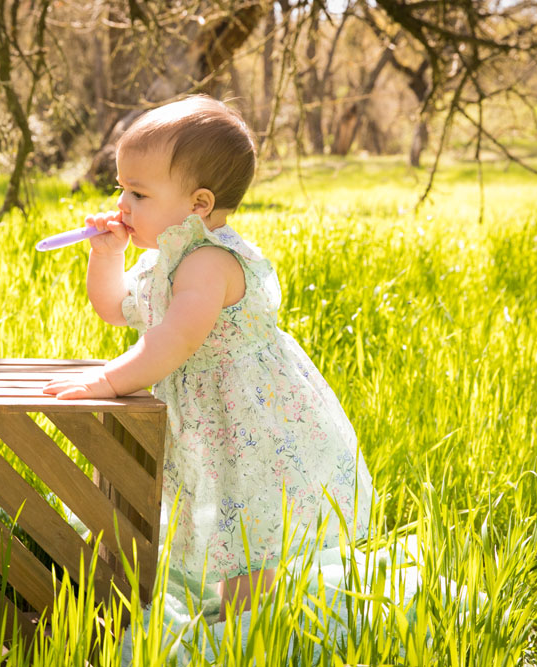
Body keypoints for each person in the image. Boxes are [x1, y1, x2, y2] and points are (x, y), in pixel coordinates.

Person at [43, 95, 374, 621]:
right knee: (213, 522)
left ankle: (246, 632)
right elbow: (114, 308)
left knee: (243, 529)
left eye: (138, 193)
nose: (122, 206)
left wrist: (109, 381)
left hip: (246, 417)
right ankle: (230, 614)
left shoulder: (209, 262)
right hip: (203, 413)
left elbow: (174, 342)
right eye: (120, 189)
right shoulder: (167, 259)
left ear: (198, 204)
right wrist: (107, 256)